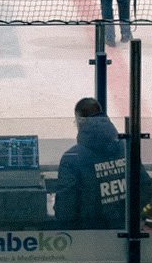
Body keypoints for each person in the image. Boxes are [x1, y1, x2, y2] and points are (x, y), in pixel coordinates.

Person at [53, 97, 127, 229]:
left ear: (80, 121)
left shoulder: (72, 158)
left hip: (88, 240)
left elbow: (65, 211)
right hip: (125, 233)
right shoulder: (125, 149)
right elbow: (144, 189)